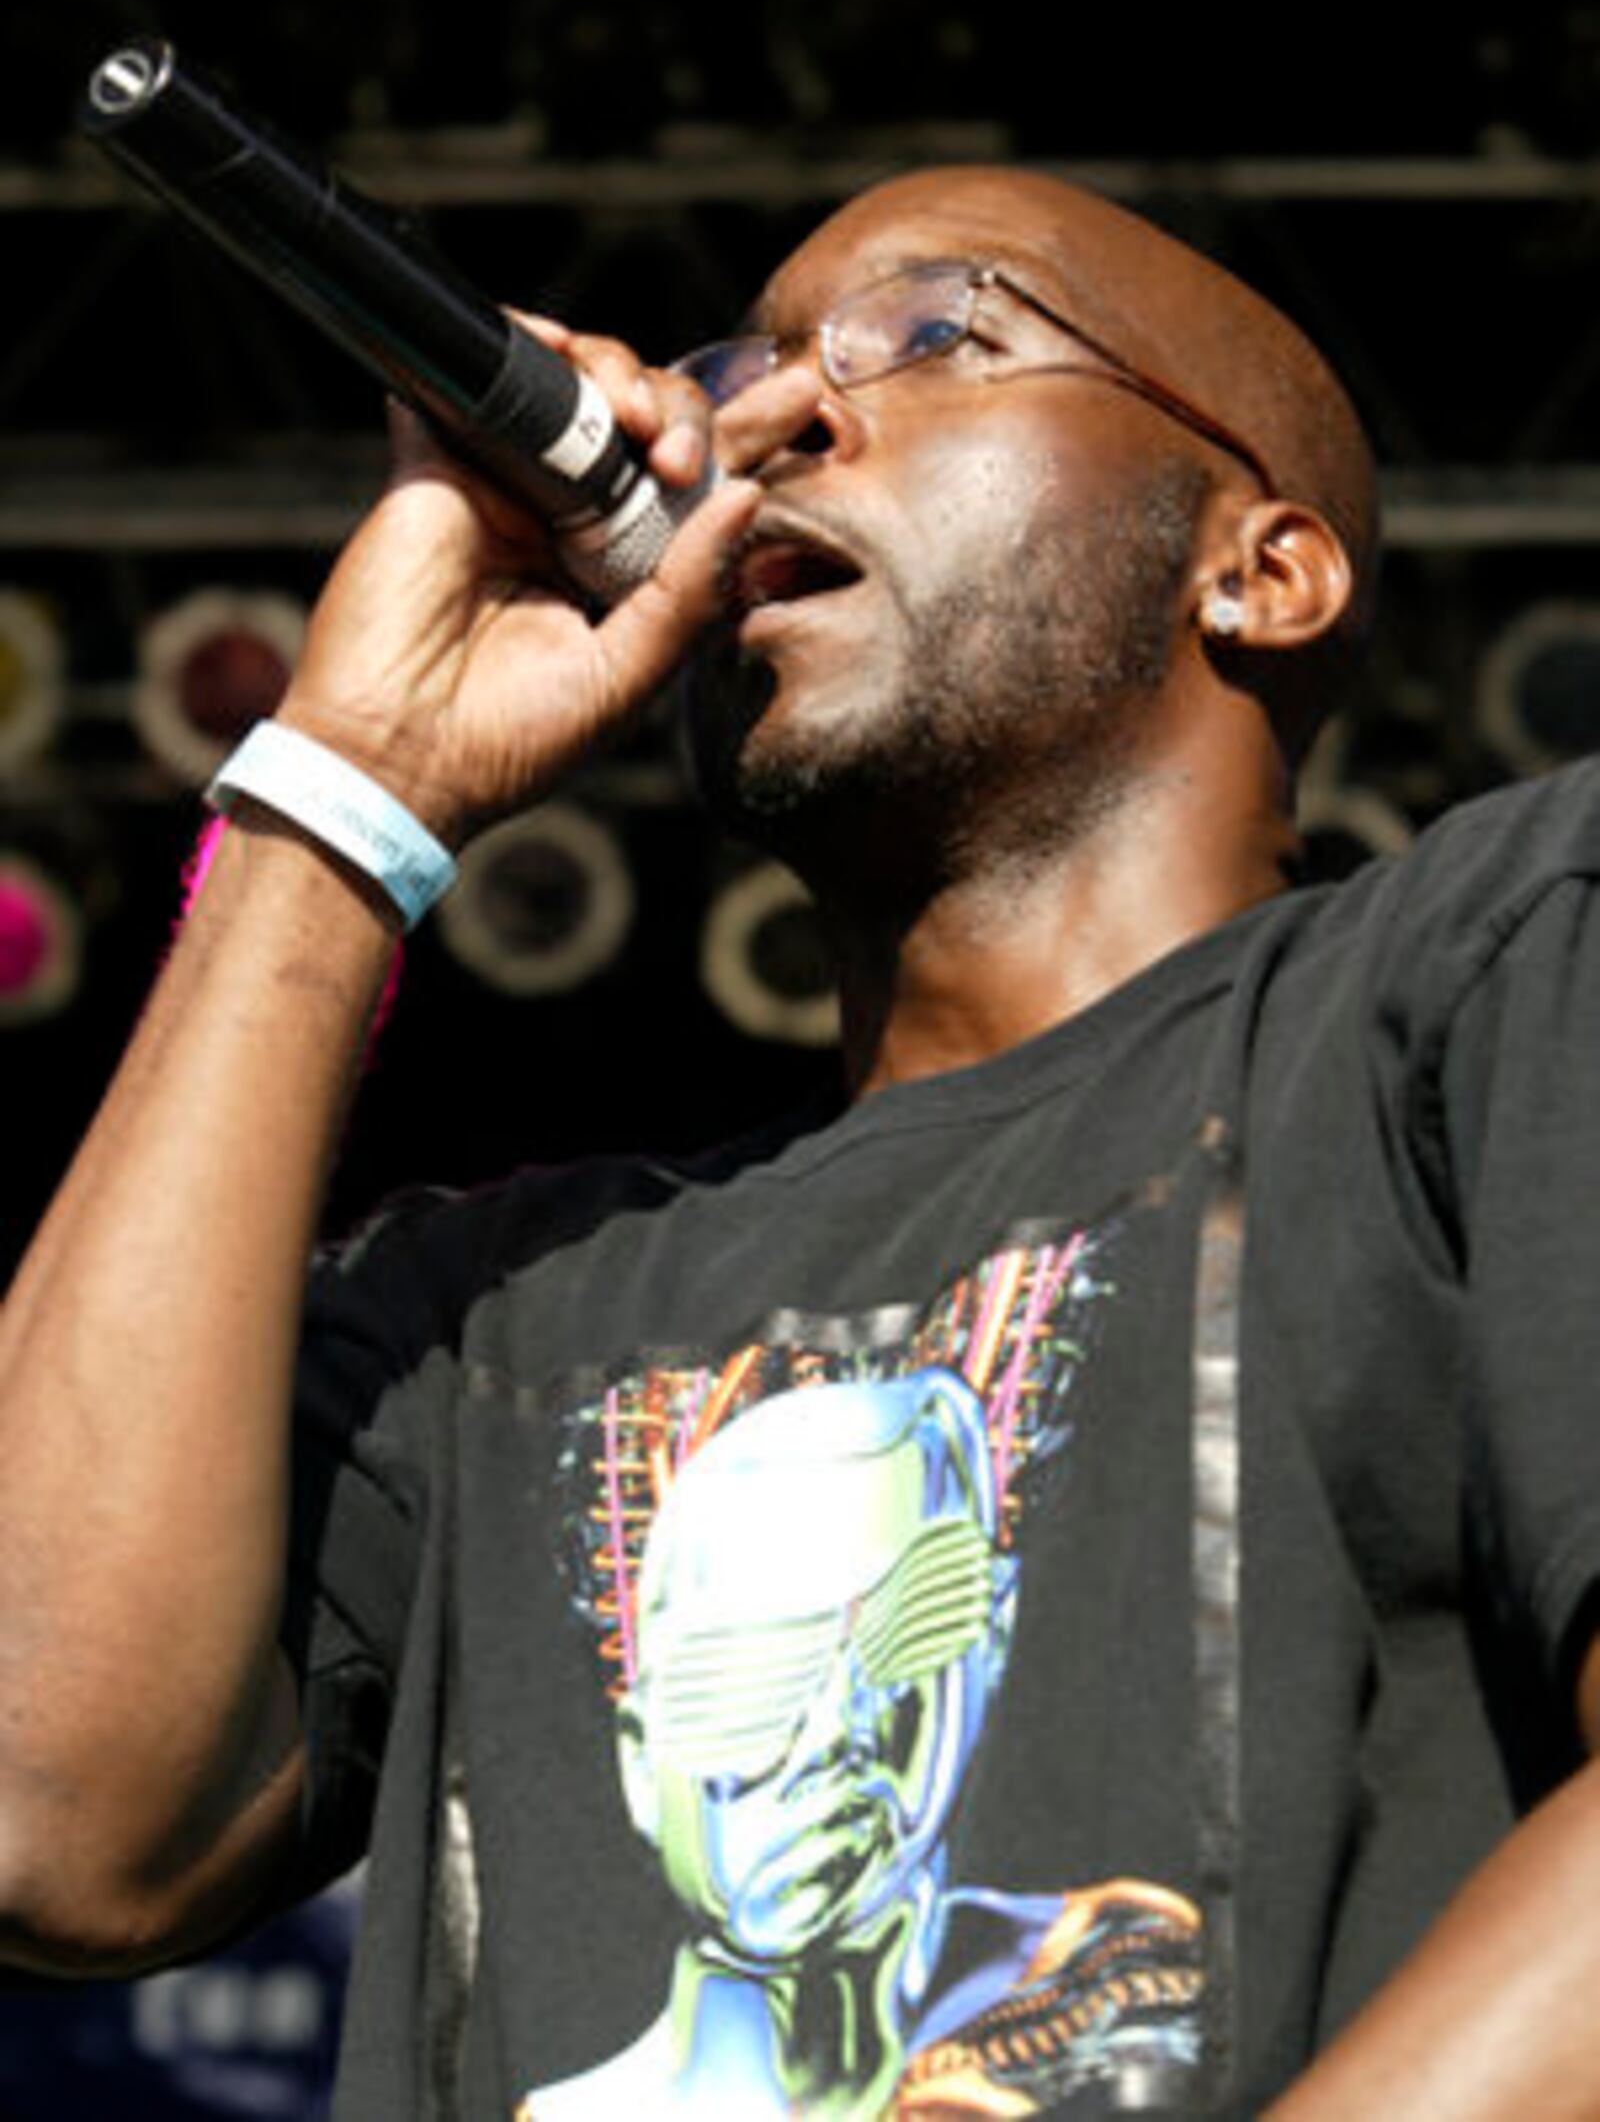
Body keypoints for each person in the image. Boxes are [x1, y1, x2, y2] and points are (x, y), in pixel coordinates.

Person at [3, 163, 1600, 2120]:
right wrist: (342, 794)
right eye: (739, 367)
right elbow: (42, 1803)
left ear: (1255, 568)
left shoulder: (1490, 970)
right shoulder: (497, 1315)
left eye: (936, 335)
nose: (774, 420)